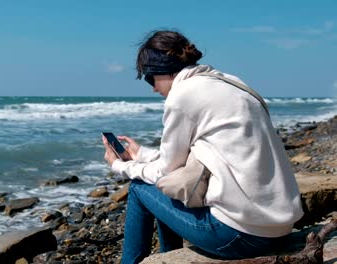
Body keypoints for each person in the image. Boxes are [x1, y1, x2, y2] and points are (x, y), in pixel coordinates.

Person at [101, 30, 304, 264]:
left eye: (150, 78)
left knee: (139, 188)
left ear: (163, 70)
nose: (153, 89)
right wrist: (142, 155)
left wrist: (120, 166)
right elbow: (193, 159)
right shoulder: (231, 82)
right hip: (281, 227)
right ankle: (169, 258)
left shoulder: (183, 95)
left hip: (241, 236)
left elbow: (166, 171)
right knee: (166, 190)